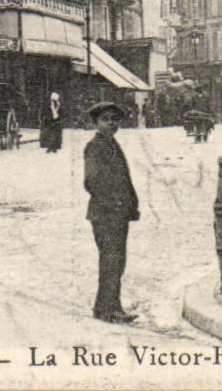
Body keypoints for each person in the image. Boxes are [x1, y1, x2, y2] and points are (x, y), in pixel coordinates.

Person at [84, 101, 140, 323]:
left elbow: (124, 178)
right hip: (106, 212)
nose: (111, 124)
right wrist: (113, 202)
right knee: (111, 260)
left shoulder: (111, 143)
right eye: (105, 120)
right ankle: (108, 309)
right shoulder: (95, 146)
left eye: (114, 120)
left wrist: (130, 204)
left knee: (116, 261)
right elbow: (91, 180)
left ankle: (107, 306)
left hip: (117, 212)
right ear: (96, 123)